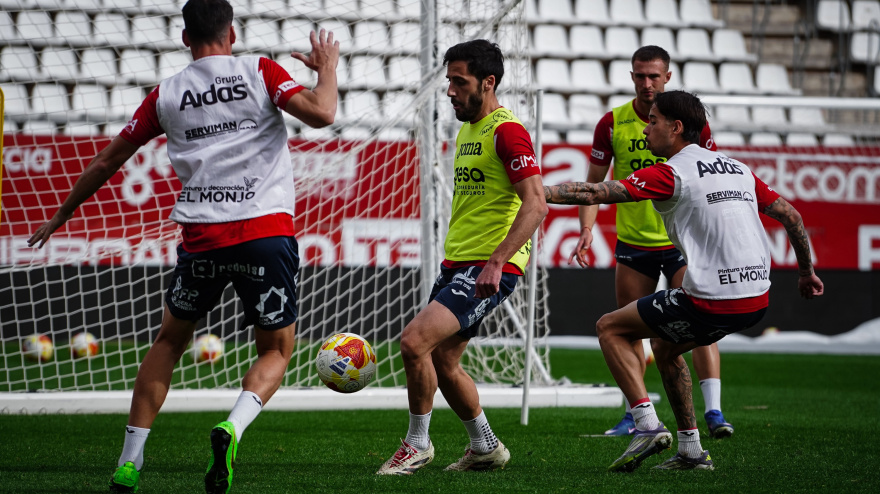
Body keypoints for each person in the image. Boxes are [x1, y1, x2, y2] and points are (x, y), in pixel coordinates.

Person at [27, 1, 339, 492]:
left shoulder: (166, 94)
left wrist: (63, 214)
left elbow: (108, 161)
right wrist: (328, 70)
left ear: (183, 37)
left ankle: (129, 462)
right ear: (231, 33)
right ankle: (231, 426)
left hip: (202, 240)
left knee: (169, 342)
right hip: (263, 234)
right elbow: (322, 113)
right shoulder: (258, 69)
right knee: (277, 349)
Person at [545, 90, 824, 471]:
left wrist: (535, 192)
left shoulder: (670, 173)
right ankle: (691, 451)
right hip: (757, 300)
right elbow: (791, 216)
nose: (646, 130)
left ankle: (645, 425)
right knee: (665, 346)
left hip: (711, 300)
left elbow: (595, 191)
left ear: (676, 128)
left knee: (610, 327)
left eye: (654, 121)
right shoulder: (737, 168)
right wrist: (806, 273)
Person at [376, 39, 547, 475]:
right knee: (443, 360)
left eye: (459, 81)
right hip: (459, 262)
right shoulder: (468, 127)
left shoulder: (507, 131)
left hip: (488, 266)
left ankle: (417, 444)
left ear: (488, 83)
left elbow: (536, 204)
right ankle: (485, 445)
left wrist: (497, 261)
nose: (449, 90)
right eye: (448, 80)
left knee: (414, 342)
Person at [572, 45, 733, 438]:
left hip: (681, 243)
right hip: (634, 242)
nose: (647, 83)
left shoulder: (689, 121)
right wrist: (587, 229)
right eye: (640, 76)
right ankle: (635, 413)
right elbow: (594, 183)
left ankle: (713, 412)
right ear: (631, 77)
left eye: (654, 76)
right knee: (629, 328)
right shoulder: (612, 123)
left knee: (697, 322)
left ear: (668, 77)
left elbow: (710, 178)